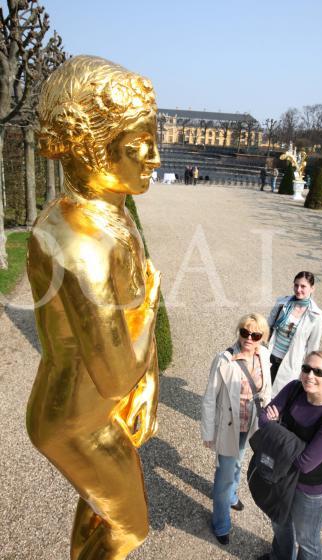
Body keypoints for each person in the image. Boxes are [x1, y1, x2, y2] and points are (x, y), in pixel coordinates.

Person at [27, 55, 161, 559]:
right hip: (75, 423)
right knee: (129, 530)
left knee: (100, 514)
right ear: (89, 149)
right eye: (137, 145)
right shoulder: (79, 245)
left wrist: (148, 384)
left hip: (99, 409)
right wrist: (148, 309)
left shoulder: (111, 213)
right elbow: (115, 373)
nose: (155, 158)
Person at [257, 351, 322, 560]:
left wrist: (276, 426)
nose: (309, 375)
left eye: (318, 372)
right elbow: (262, 418)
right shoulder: (294, 388)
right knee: (279, 523)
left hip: (309, 491)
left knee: (307, 541)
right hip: (280, 476)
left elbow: (304, 463)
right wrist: (279, 431)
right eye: (306, 368)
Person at [201, 313, 272, 545]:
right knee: (223, 475)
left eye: (255, 335)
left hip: (249, 425)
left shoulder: (264, 355)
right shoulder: (223, 360)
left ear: (263, 337)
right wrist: (208, 432)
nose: (249, 338)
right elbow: (210, 398)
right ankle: (221, 522)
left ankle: (232, 496)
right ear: (239, 332)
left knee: (240, 462)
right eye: (244, 332)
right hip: (228, 426)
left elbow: (266, 391)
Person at [268, 271, 322, 396]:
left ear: (312, 288)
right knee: (261, 393)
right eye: (296, 285)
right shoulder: (282, 303)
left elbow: (313, 347)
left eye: (303, 286)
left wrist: (308, 371)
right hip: (271, 356)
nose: (298, 290)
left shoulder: (317, 315)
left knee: (279, 399)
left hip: (291, 363)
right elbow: (268, 326)